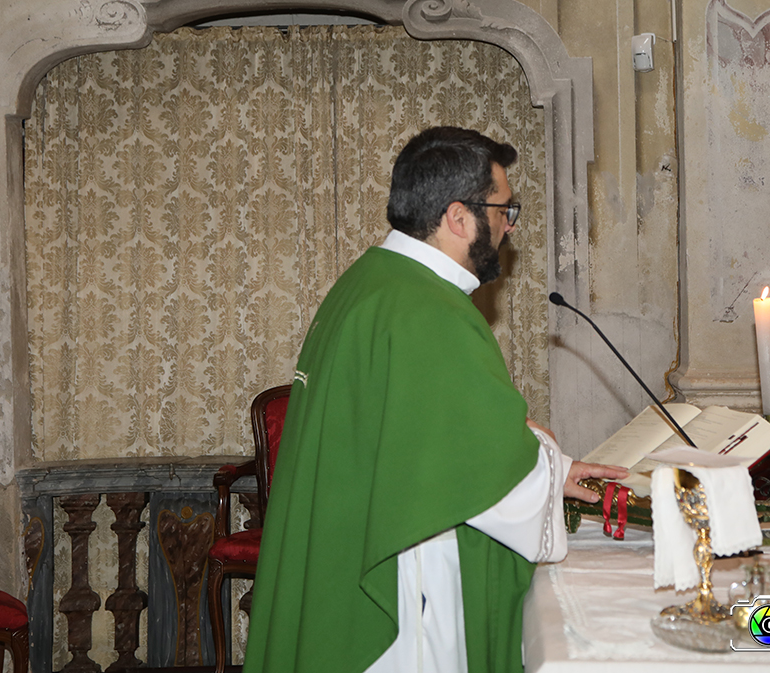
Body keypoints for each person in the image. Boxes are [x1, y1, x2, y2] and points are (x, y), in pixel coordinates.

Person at [241, 126, 627, 673]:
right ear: (457, 217)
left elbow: (427, 441)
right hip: (402, 577)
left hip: (346, 543)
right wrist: (541, 452)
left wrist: (556, 470)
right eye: (503, 210)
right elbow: (486, 475)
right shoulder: (428, 311)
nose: (508, 227)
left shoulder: (372, 283)